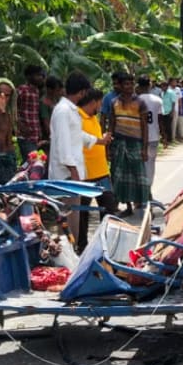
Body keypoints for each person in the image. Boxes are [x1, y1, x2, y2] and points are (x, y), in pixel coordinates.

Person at [49, 72, 111, 244]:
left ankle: (73, 250)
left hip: (73, 174)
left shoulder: (71, 110)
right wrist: (74, 171)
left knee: (73, 217)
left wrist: (99, 141)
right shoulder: (63, 111)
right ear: (83, 92)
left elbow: (78, 135)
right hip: (67, 175)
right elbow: (63, 144)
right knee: (69, 218)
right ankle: (69, 254)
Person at [77, 89, 118, 252]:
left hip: (101, 171)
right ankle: (81, 246)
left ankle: (106, 245)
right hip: (86, 174)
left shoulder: (93, 117)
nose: (101, 106)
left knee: (109, 208)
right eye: (100, 103)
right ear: (93, 102)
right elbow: (80, 138)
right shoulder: (76, 117)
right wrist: (101, 140)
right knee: (82, 213)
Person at [109, 72, 150, 214]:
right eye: (126, 84)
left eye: (132, 83)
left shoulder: (140, 102)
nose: (130, 87)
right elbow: (111, 125)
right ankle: (127, 207)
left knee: (139, 177)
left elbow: (145, 127)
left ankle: (143, 206)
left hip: (136, 144)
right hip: (119, 143)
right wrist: (108, 146)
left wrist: (144, 148)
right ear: (120, 86)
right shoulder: (114, 102)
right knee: (120, 178)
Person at [136, 76, 165, 196]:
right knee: (150, 164)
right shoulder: (157, 100)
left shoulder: (135, 100)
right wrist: (165, 135)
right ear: (149, 85)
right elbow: (160, 120)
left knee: (139, 165)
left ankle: (141, 191)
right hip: (153, 137)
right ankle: (148, 189)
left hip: (138, 137)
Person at [16, 65, 46, 158]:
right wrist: (20, 125)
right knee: (31, 163)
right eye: (38, 75)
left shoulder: (37, 91)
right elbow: (12, 109)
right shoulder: (22, 90)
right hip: (25, 135)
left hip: (35, 135)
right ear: (29, 77)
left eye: (41, 75)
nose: (41, 77)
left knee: (33, 162)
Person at [40, 75, 64, 145]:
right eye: (57, 90)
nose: (59, 92)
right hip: (48, 138)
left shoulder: (56, 100)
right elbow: (46, 123)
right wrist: (53, 137)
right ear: (50, 90)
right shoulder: (44, 103)